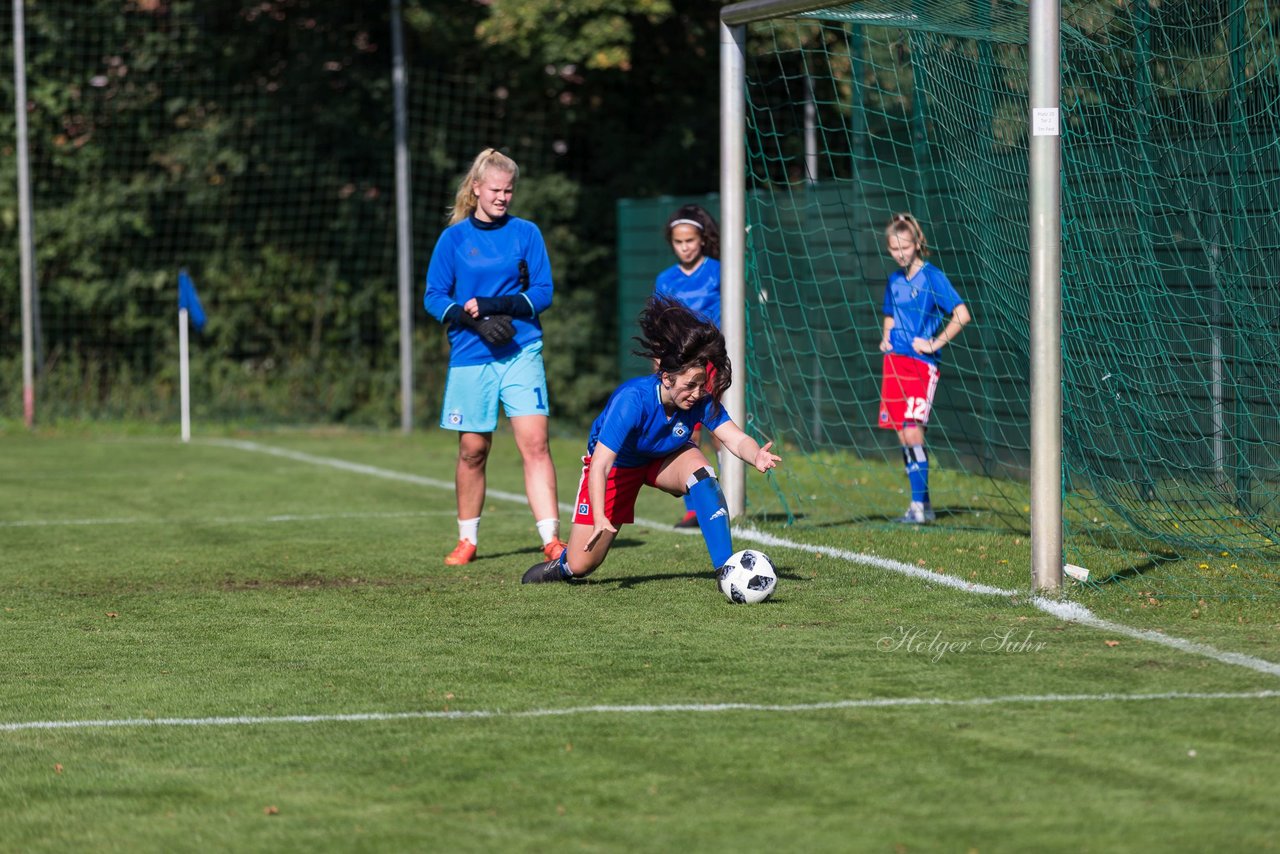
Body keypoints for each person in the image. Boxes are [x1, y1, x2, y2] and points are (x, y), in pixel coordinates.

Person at [522, 295, 781, 584]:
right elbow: (600, 465)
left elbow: (734, 438)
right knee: (582, 565)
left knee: (702, 474)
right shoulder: (632, 400)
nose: (697, 393)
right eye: (690, 385)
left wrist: (756, 453)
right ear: (667, 378)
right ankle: (561, 567)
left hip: (662, 458)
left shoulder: (700, 400)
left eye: (701, 385)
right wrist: (599, 516)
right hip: (619, 466)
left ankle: (726, 571)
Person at [424, 148, 565, 566]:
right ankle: (467, 539)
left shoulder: (527, 233)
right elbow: (434, 296)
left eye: (509, 190)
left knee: (536, 443)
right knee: (472, 450)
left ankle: (552, 540)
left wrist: (497, 305)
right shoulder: (453, 239)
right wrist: (476, 324)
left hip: (522, 351)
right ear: (476, 188)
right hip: (471, 354)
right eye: (496, 190)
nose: (503, 197)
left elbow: (543, 292)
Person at [877, 212, 971, 524]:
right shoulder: (894, 280)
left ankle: (918, 508)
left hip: (921, 365)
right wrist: (886, 337)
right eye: (894, 249)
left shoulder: (932, 277)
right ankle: (923, 507)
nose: (900, 254)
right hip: (895, 363)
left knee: (914, 433)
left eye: (905, 247)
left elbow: (961, 314)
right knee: (904, 436)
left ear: (917, 243)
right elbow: (890, 314)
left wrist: (934, 343)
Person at [654, 204, 722, 528]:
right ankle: (694, 506)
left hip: (713, 362)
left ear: (701, 240)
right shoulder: (665, 279)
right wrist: (659, 357)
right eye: (679, 242)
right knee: (684, 432)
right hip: (681, 367)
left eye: (690, 241)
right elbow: (659, 324)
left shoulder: (720, 271)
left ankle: (727, 496)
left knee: (719, 428)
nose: (685, 247)